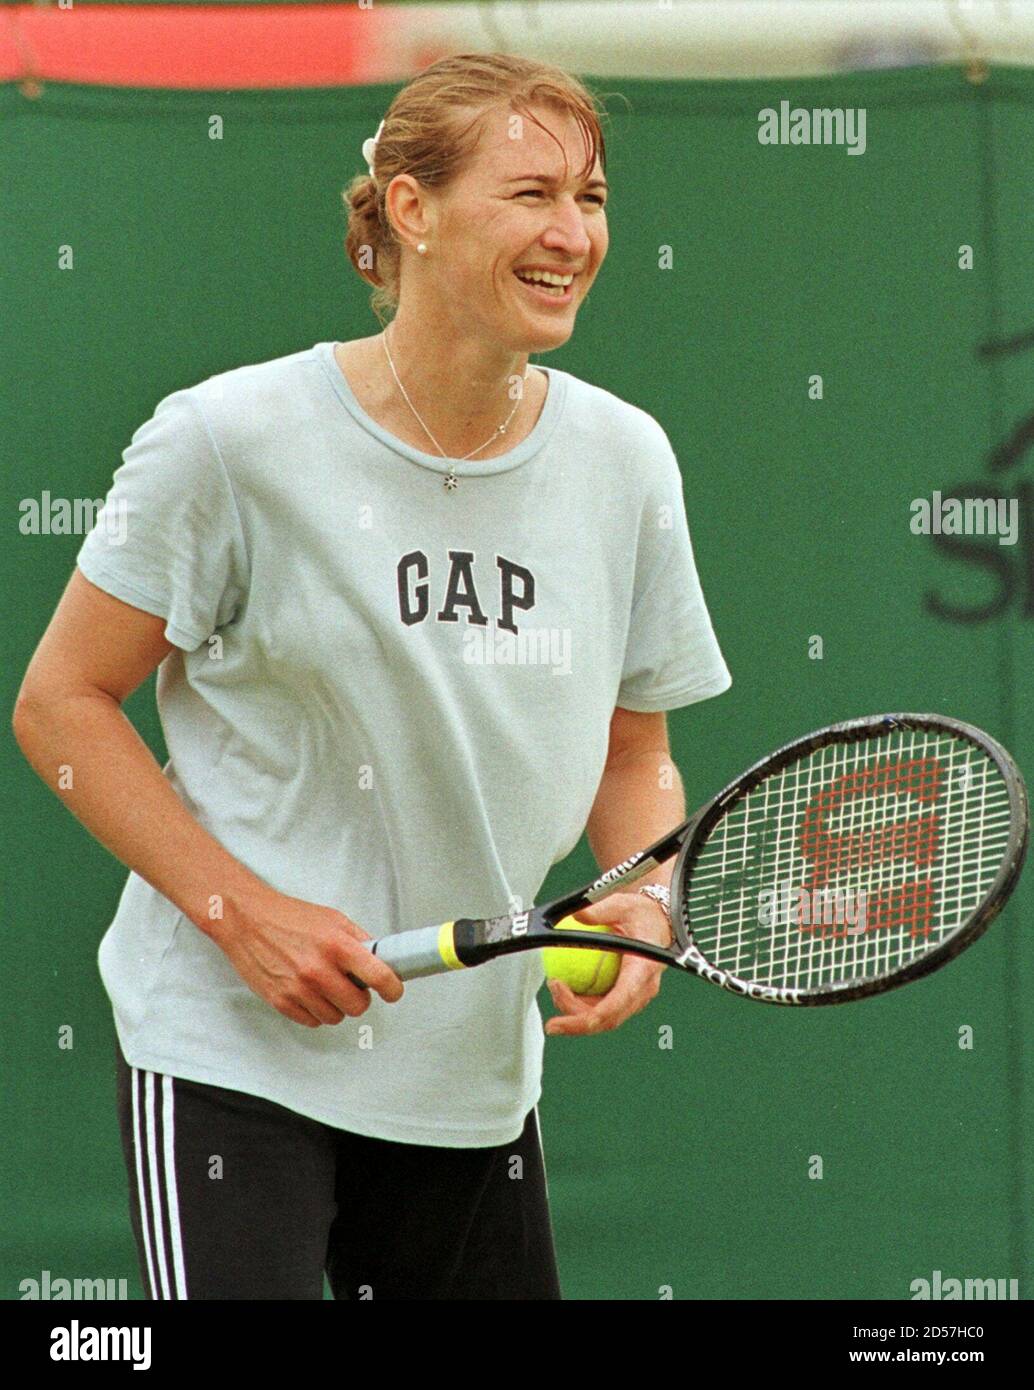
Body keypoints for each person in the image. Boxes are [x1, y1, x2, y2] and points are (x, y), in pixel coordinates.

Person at [12, 52, 731, 1300]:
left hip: (473, 1092)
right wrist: (243, 916)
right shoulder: (229, 439)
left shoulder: (626, 461)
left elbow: (634, 754)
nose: (572, 233)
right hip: (233, 1065)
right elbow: (60, 703)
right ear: (410, 208)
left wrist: (642, 892)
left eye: (593, 199)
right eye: (531, 195)